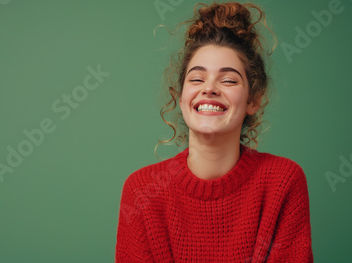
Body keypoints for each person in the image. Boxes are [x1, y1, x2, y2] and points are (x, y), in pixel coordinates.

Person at [116, 1, 313, 262]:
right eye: (196, 79)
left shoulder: (283, 182)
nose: (209, 88)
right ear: (181, 97)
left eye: (229, 80)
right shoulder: (141, 190)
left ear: (254, 100)